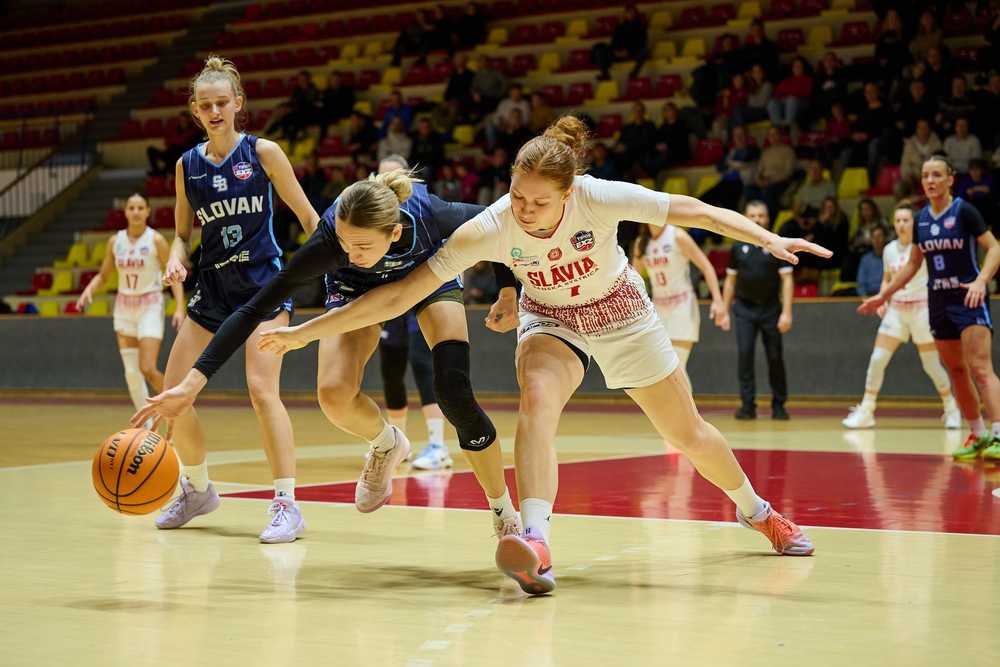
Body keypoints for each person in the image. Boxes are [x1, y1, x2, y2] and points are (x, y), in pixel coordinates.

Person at [256, 116, 830, 596]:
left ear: (569, 192)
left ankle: (756, 511)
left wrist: (767, 239)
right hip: (551, 318)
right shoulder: (492, 225)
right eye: (518, 197)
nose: (525, 211)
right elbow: (399, 296)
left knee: (689, 434)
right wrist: (309, 332)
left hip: (621, 312)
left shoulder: (599, 197)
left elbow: (694, 211)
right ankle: (535, 540)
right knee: (536, 401)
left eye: (539, 202)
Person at [132, 167, 521, 539]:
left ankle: (504, 511)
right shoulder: (331, 243)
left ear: (394, 231)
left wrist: (507, 290)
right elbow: (253, 309)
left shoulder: (431, 215)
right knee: (334, 395)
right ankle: (386, 442)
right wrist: (192, 383)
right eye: (345, 243)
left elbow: (500, 224)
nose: (351, 253)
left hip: (427, 279)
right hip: (355, 292)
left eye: (363, 245)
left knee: (453, 390)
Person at [137, 56, 321, 543]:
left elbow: (309, 218)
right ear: (194, 110)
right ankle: (198, 489)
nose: (215, 111)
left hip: (263, 286)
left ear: (238, 103)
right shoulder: (187, 166)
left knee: (261, 390)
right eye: (206, 105)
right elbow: (182, 234)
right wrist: (176, 260)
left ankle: (287, 504)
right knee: (174, 394)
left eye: (222, 102)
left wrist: (338, 273)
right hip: (213, 290)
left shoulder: (264, 153)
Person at [859, 155, 1000, 460]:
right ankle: (978, 434)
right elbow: (912, 265)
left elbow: (994, 248)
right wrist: (884, 295)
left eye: (937, 175)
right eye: (926, 176)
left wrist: (981, 281)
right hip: (938, 301)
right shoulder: (921, 219)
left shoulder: (964, 211)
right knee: (957, 370)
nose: (930, 181)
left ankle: (999, 435)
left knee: (980, 368)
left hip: (968, 298)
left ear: (950, 179)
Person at [845, 201, 961, 429]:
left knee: (931, 364)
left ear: (914, 223)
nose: (901, 224)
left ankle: (951, 409)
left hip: (922, 309)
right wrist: (882, 298)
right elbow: (887, 279)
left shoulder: (923, 246)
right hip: (897, 310)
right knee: (877, 359)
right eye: (897, 220)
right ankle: (867, 410)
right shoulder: (889, 249)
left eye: (905, 220)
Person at [77, 193, 186, 421]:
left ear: (148, 212)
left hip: (150, 305)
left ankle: (178, 409)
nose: (136, 212)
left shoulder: (156, 240)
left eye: (140, 208)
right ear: (125, 212)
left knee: (147, 368)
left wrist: (179, 307)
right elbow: (104, 275)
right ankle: (145, 425)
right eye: (131, 208)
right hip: (124, 307)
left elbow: (173, 274)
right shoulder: (115, 241)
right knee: (131, 372)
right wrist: (89, 290)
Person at [376, 155, 451, 471]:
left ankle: (438, 445)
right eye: (382, 178)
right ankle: (398, 445)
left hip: (421, 294)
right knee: (391, 370)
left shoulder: (425, 209)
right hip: (391, 298)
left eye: (394, 177)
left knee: (422, 364)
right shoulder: (374, 217)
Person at [722, 201, 794, 421]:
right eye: (752, 215)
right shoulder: (738, 247)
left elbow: (787, 280)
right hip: (744, 309)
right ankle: (747, 406)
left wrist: (787, 312)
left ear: (768, 218)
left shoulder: (777, 244)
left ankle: (779, 405)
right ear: (745, 217)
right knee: (745, 355)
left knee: (775, 357)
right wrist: (724, 310)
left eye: (761, 215)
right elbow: (730, 281)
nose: (757, 220)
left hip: (771, 309)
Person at [632, 224, 729, 369]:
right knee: (664, 371)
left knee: (677, 366)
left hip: (682, 306)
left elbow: (706, 267)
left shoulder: (677, 236)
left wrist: (718, 300)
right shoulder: (641, 242)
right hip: (657, 309)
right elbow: (634, 279)